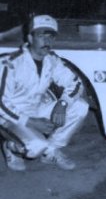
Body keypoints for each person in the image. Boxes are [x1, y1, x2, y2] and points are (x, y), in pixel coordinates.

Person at [0, 15, 89, 171]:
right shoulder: (10, 63)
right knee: (35, 147)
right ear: (30, 38)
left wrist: (62, 104)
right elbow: (1, 104)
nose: (47, 42)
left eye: (51, 37)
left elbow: (75, 83)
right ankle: (10, 147)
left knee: (80, 106)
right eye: (41, 36)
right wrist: (30, 122)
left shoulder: (51, 60)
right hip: (9, 117)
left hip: (36, 108)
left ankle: (50, 151)